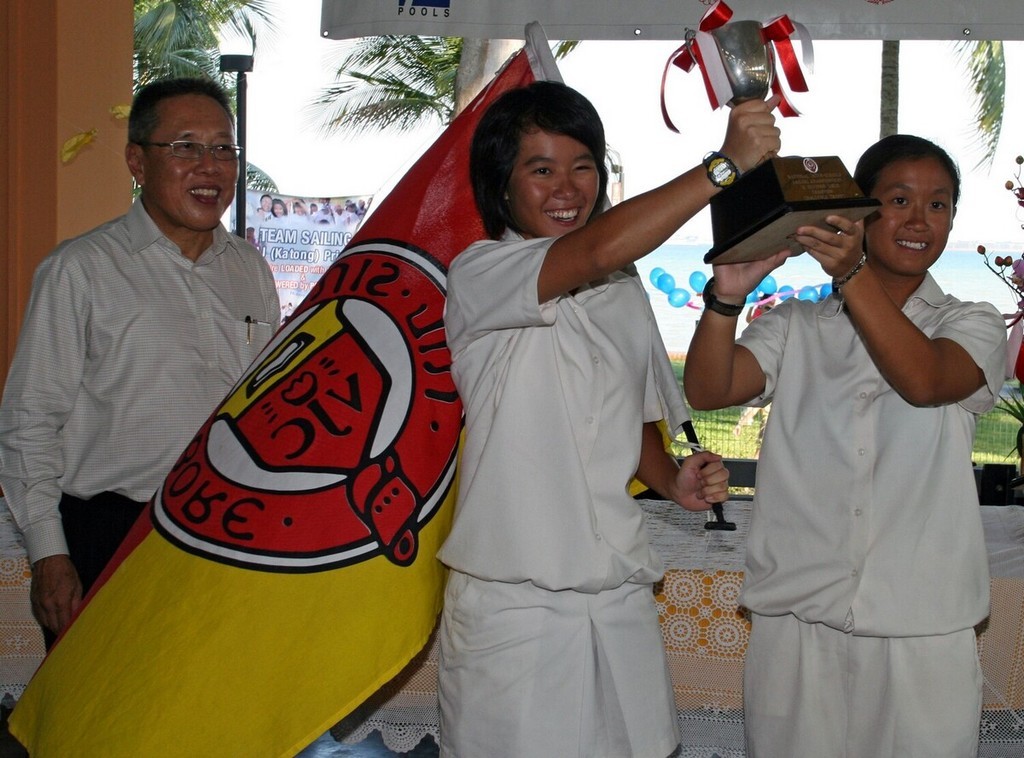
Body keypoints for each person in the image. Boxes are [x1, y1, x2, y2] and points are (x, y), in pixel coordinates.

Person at [437, 80, 780, 757]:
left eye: (583, 166)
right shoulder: (483, 272)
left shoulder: (622, 291)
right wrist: (724, 165)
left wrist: (672, 480)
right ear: (501, 186)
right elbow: (594, 251)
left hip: (618, 591)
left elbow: (636, 421)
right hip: (515, 600)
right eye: (541, 170)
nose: (567, 187)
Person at [683, 134, 1006, 757]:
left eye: (939, 205)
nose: (919, 220)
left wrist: (851, 273)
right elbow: (709, 388)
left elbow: (925, 380)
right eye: (899, 199)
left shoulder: (974, 321)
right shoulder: (795, 326)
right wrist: (726, 296)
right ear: (860, 212)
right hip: (796, 620)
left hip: (923, 625)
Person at [0, 77, 280, 647]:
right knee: (96, 726)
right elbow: (30, 420)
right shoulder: (80, 270)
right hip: (109, 536)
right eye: (185, 147)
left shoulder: (249, 269)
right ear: (137, 161)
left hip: (223, 534)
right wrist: (49, 553)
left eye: (224, 148)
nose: (210, 166)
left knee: (211, 716)